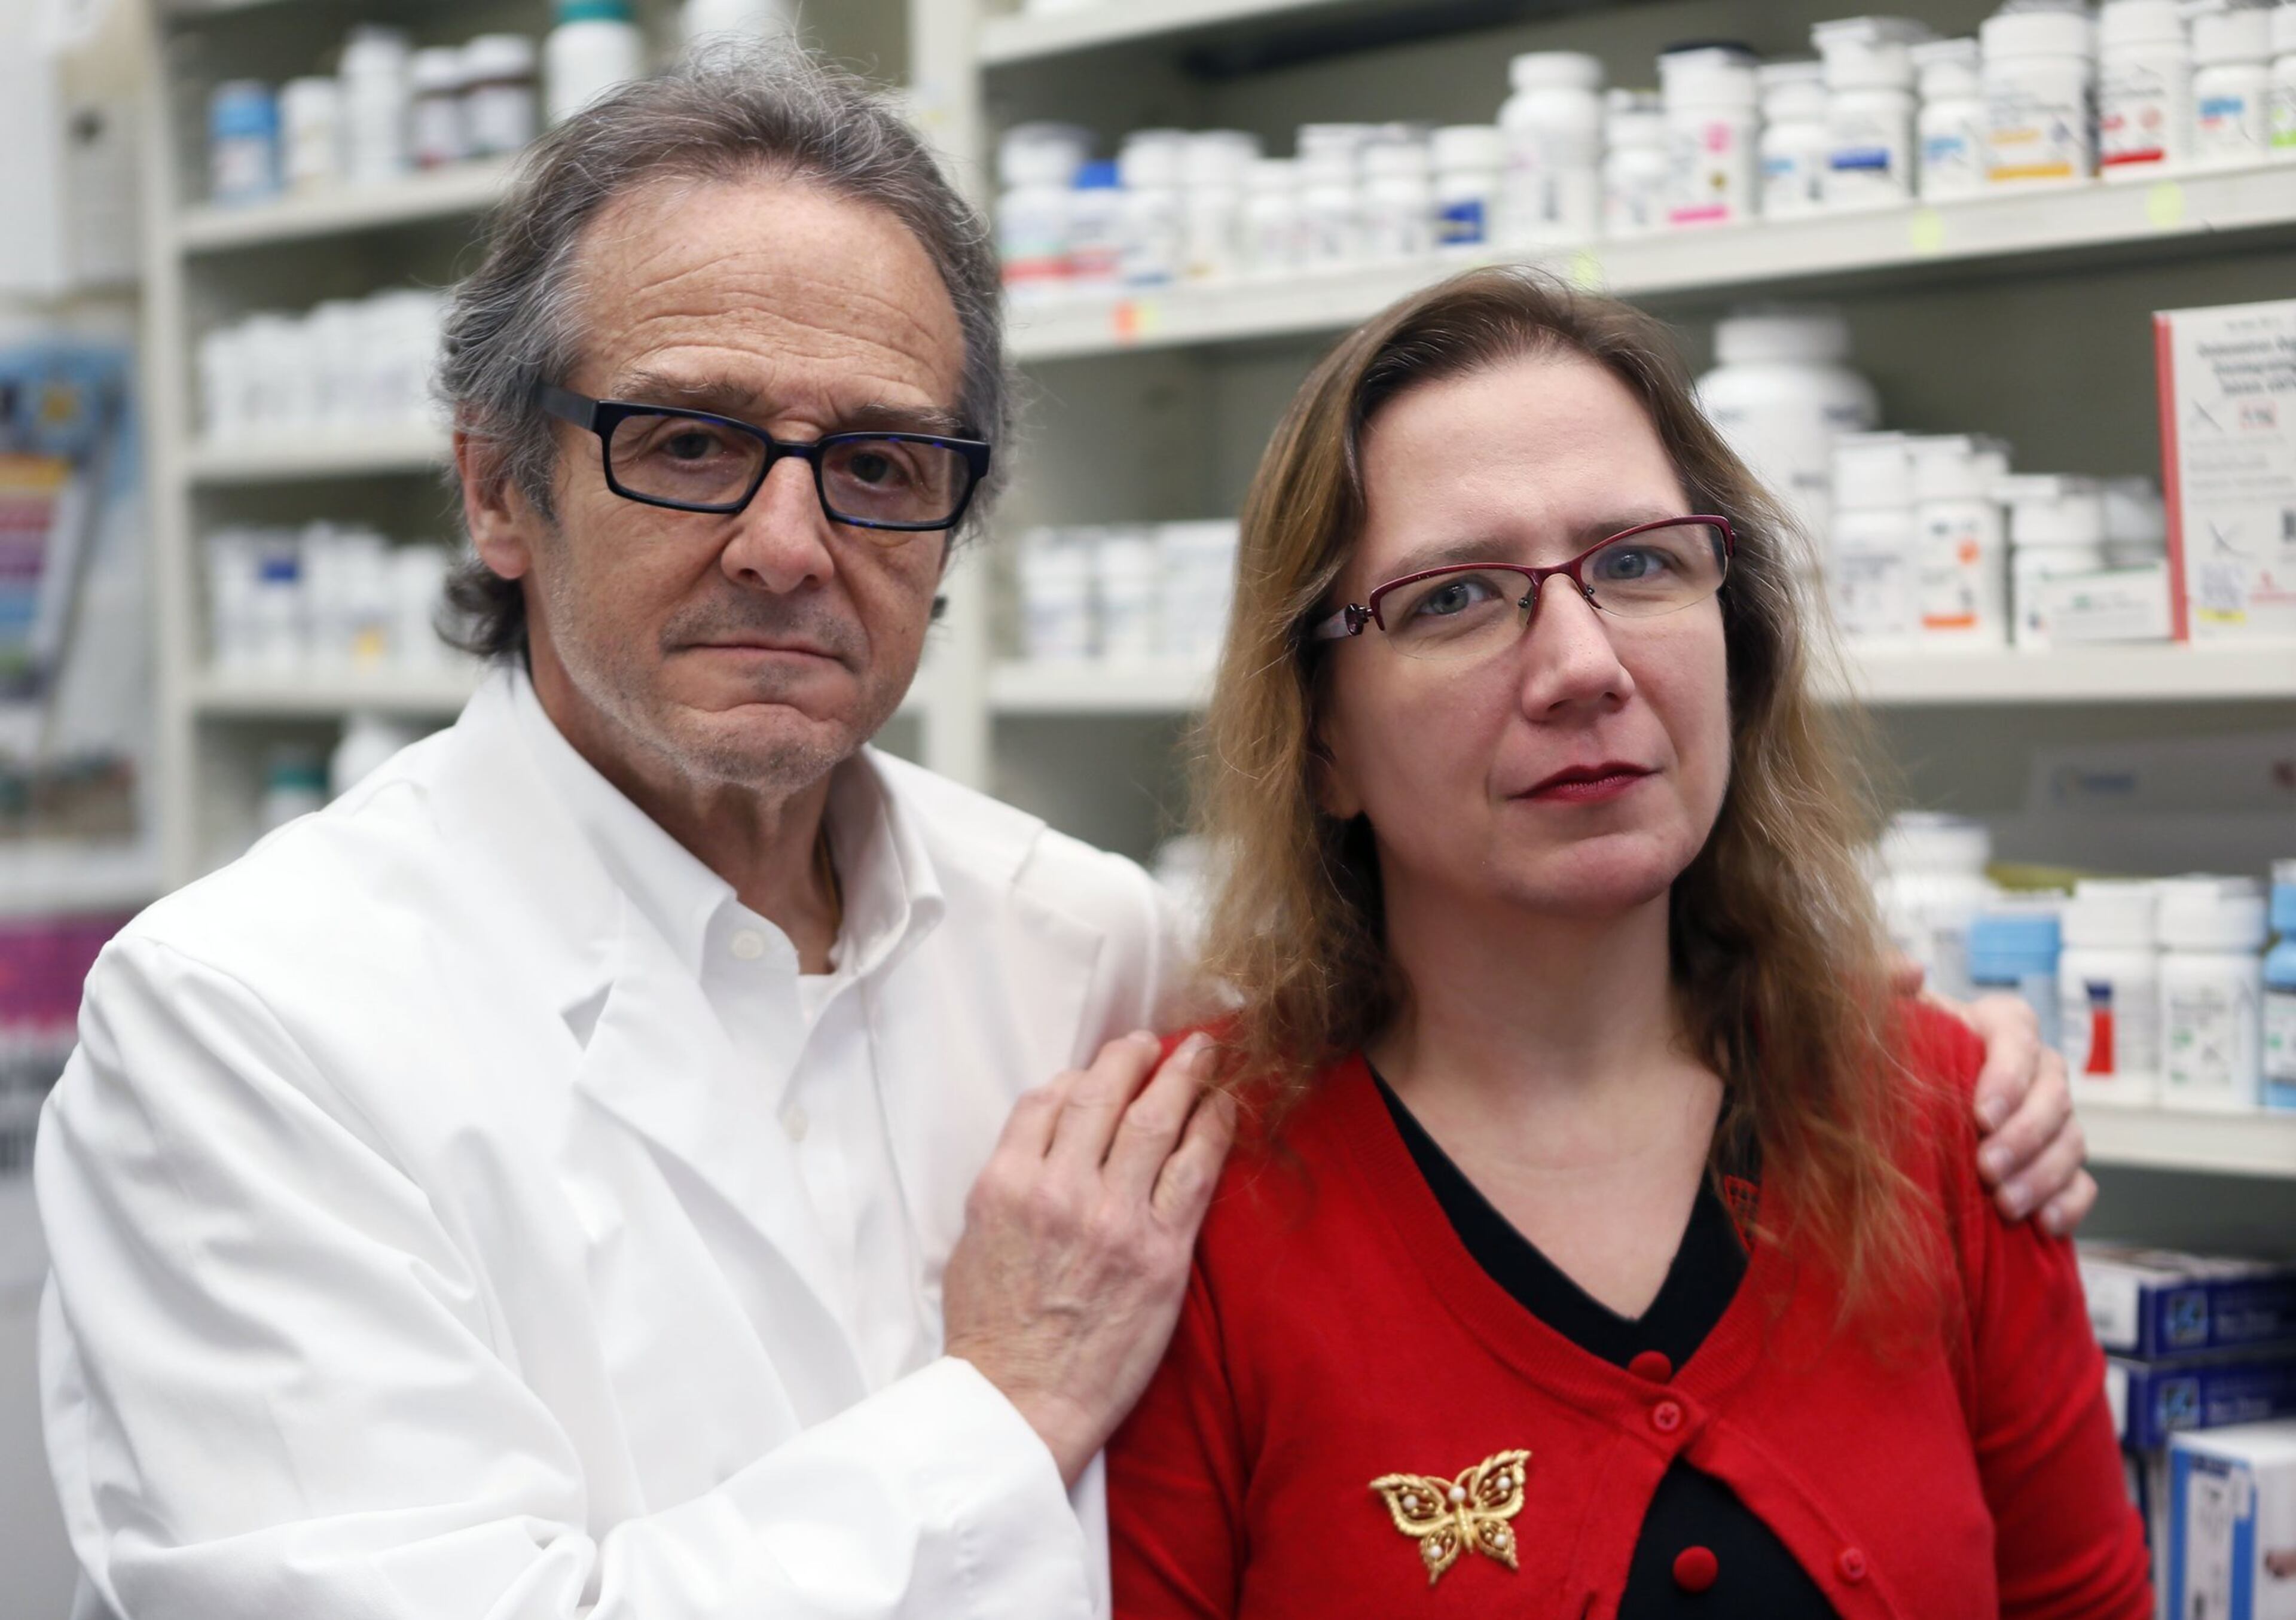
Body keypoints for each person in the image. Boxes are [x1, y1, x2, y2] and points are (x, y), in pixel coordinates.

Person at [36, 47, 2087, 1620]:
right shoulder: (248, 1025)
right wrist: (995, 1415)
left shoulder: (1076, 944)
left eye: (883, 461)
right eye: (684, 441)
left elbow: (1515, 1017)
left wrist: (1913, 1052)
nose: (787, 541)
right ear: (498, 487)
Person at [1107, 269, 2149, 1618]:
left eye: (1640, 563)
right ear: (1320, 740)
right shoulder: (1193, 1193)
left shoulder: (1947, 1117)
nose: (1583, 663)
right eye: (1457, 597)